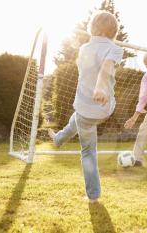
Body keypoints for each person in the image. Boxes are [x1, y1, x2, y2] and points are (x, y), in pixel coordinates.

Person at [48, 11, 123, 202]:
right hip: (105, 108)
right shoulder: (115, 48)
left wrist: (99, 87)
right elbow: (105, 65)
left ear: (92, 27)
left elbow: (105, 68)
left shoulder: (83, 48)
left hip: (88, 106)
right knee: (78, 121)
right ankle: (58, 139)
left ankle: (93, 195)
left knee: (88, 150)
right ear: (113, 30)